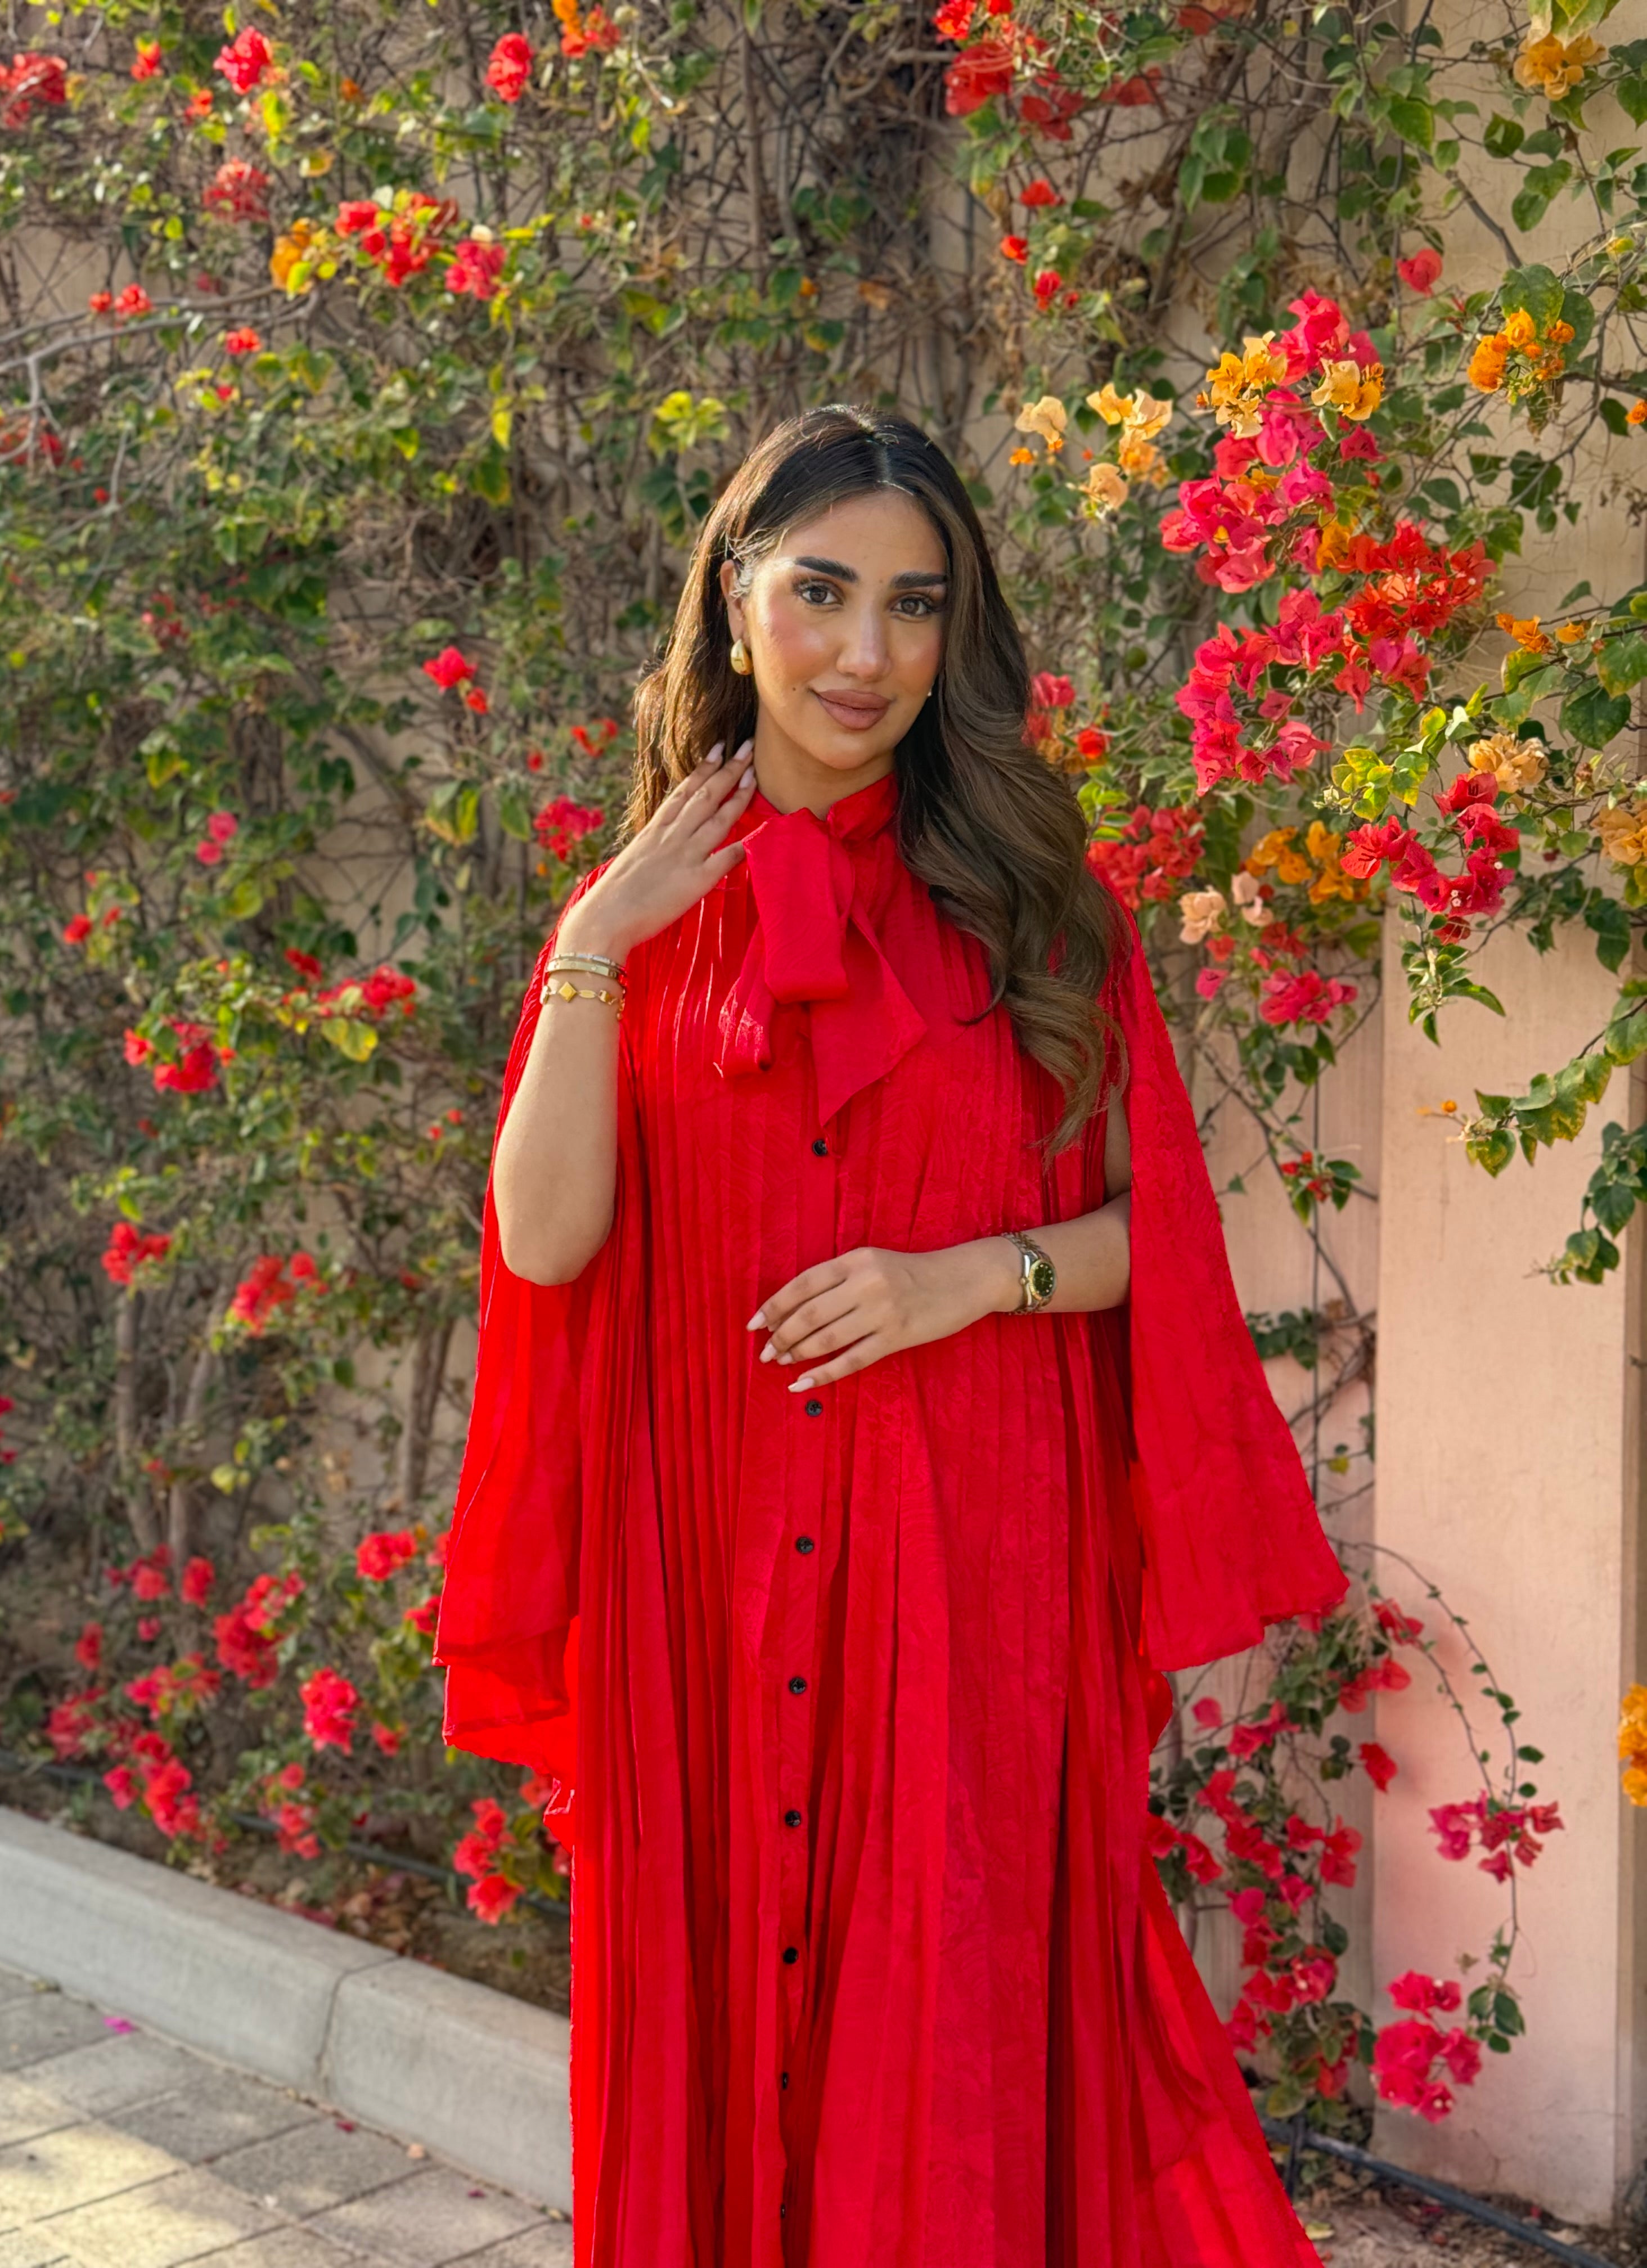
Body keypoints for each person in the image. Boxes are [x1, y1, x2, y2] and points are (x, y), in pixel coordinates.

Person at [433, 403, 1347, 2267]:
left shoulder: (1039, 908)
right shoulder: (636, 921)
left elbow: (1153, 1251)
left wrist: (957, 1282)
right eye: (823, 593)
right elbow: (548, 1236)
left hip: (966, 1562)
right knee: (725, 2030)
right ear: (737, 602)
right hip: (705, 1566)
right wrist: (598, 937)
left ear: (960, 631)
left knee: (958, 2034)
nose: (867, 654)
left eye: (915, 606)